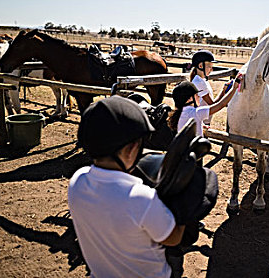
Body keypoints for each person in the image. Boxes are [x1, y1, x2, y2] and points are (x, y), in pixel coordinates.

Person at [68, 95, 185, 278]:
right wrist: (182, 205)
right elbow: (173, 237)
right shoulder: (141, 198)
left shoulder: (77, 181)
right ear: (131, 149)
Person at [167, 72, 243, 136]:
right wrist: (234, 88)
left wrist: (199, 125)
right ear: (190, 99)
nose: (199, 97)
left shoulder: (180, 113)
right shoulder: (197, 112)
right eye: (196, 95)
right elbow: (221, 105)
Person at [189, 50, 228, 125]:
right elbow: (212, 105)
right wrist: (224, 91)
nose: (211, 70)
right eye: (209, 67)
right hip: (200, 122)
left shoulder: (202, 80)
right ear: (200, 66)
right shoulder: (199, 82)